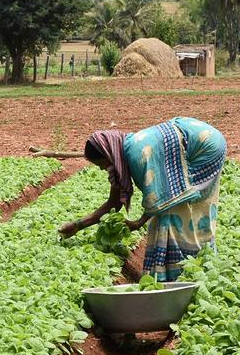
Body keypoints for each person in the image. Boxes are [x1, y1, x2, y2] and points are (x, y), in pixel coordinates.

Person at [58, 117, 226, 281]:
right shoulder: (121, 156)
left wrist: (138, 223)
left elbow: (161, 199)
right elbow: (114, 203)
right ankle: (193, 264)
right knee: (175, 210)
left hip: (206, 146)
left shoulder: (137, 153)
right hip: (199, 138)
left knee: (172, 213)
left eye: (101, 163)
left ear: (108, 153)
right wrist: (77, 225)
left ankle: (180, 271)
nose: (102, 168)